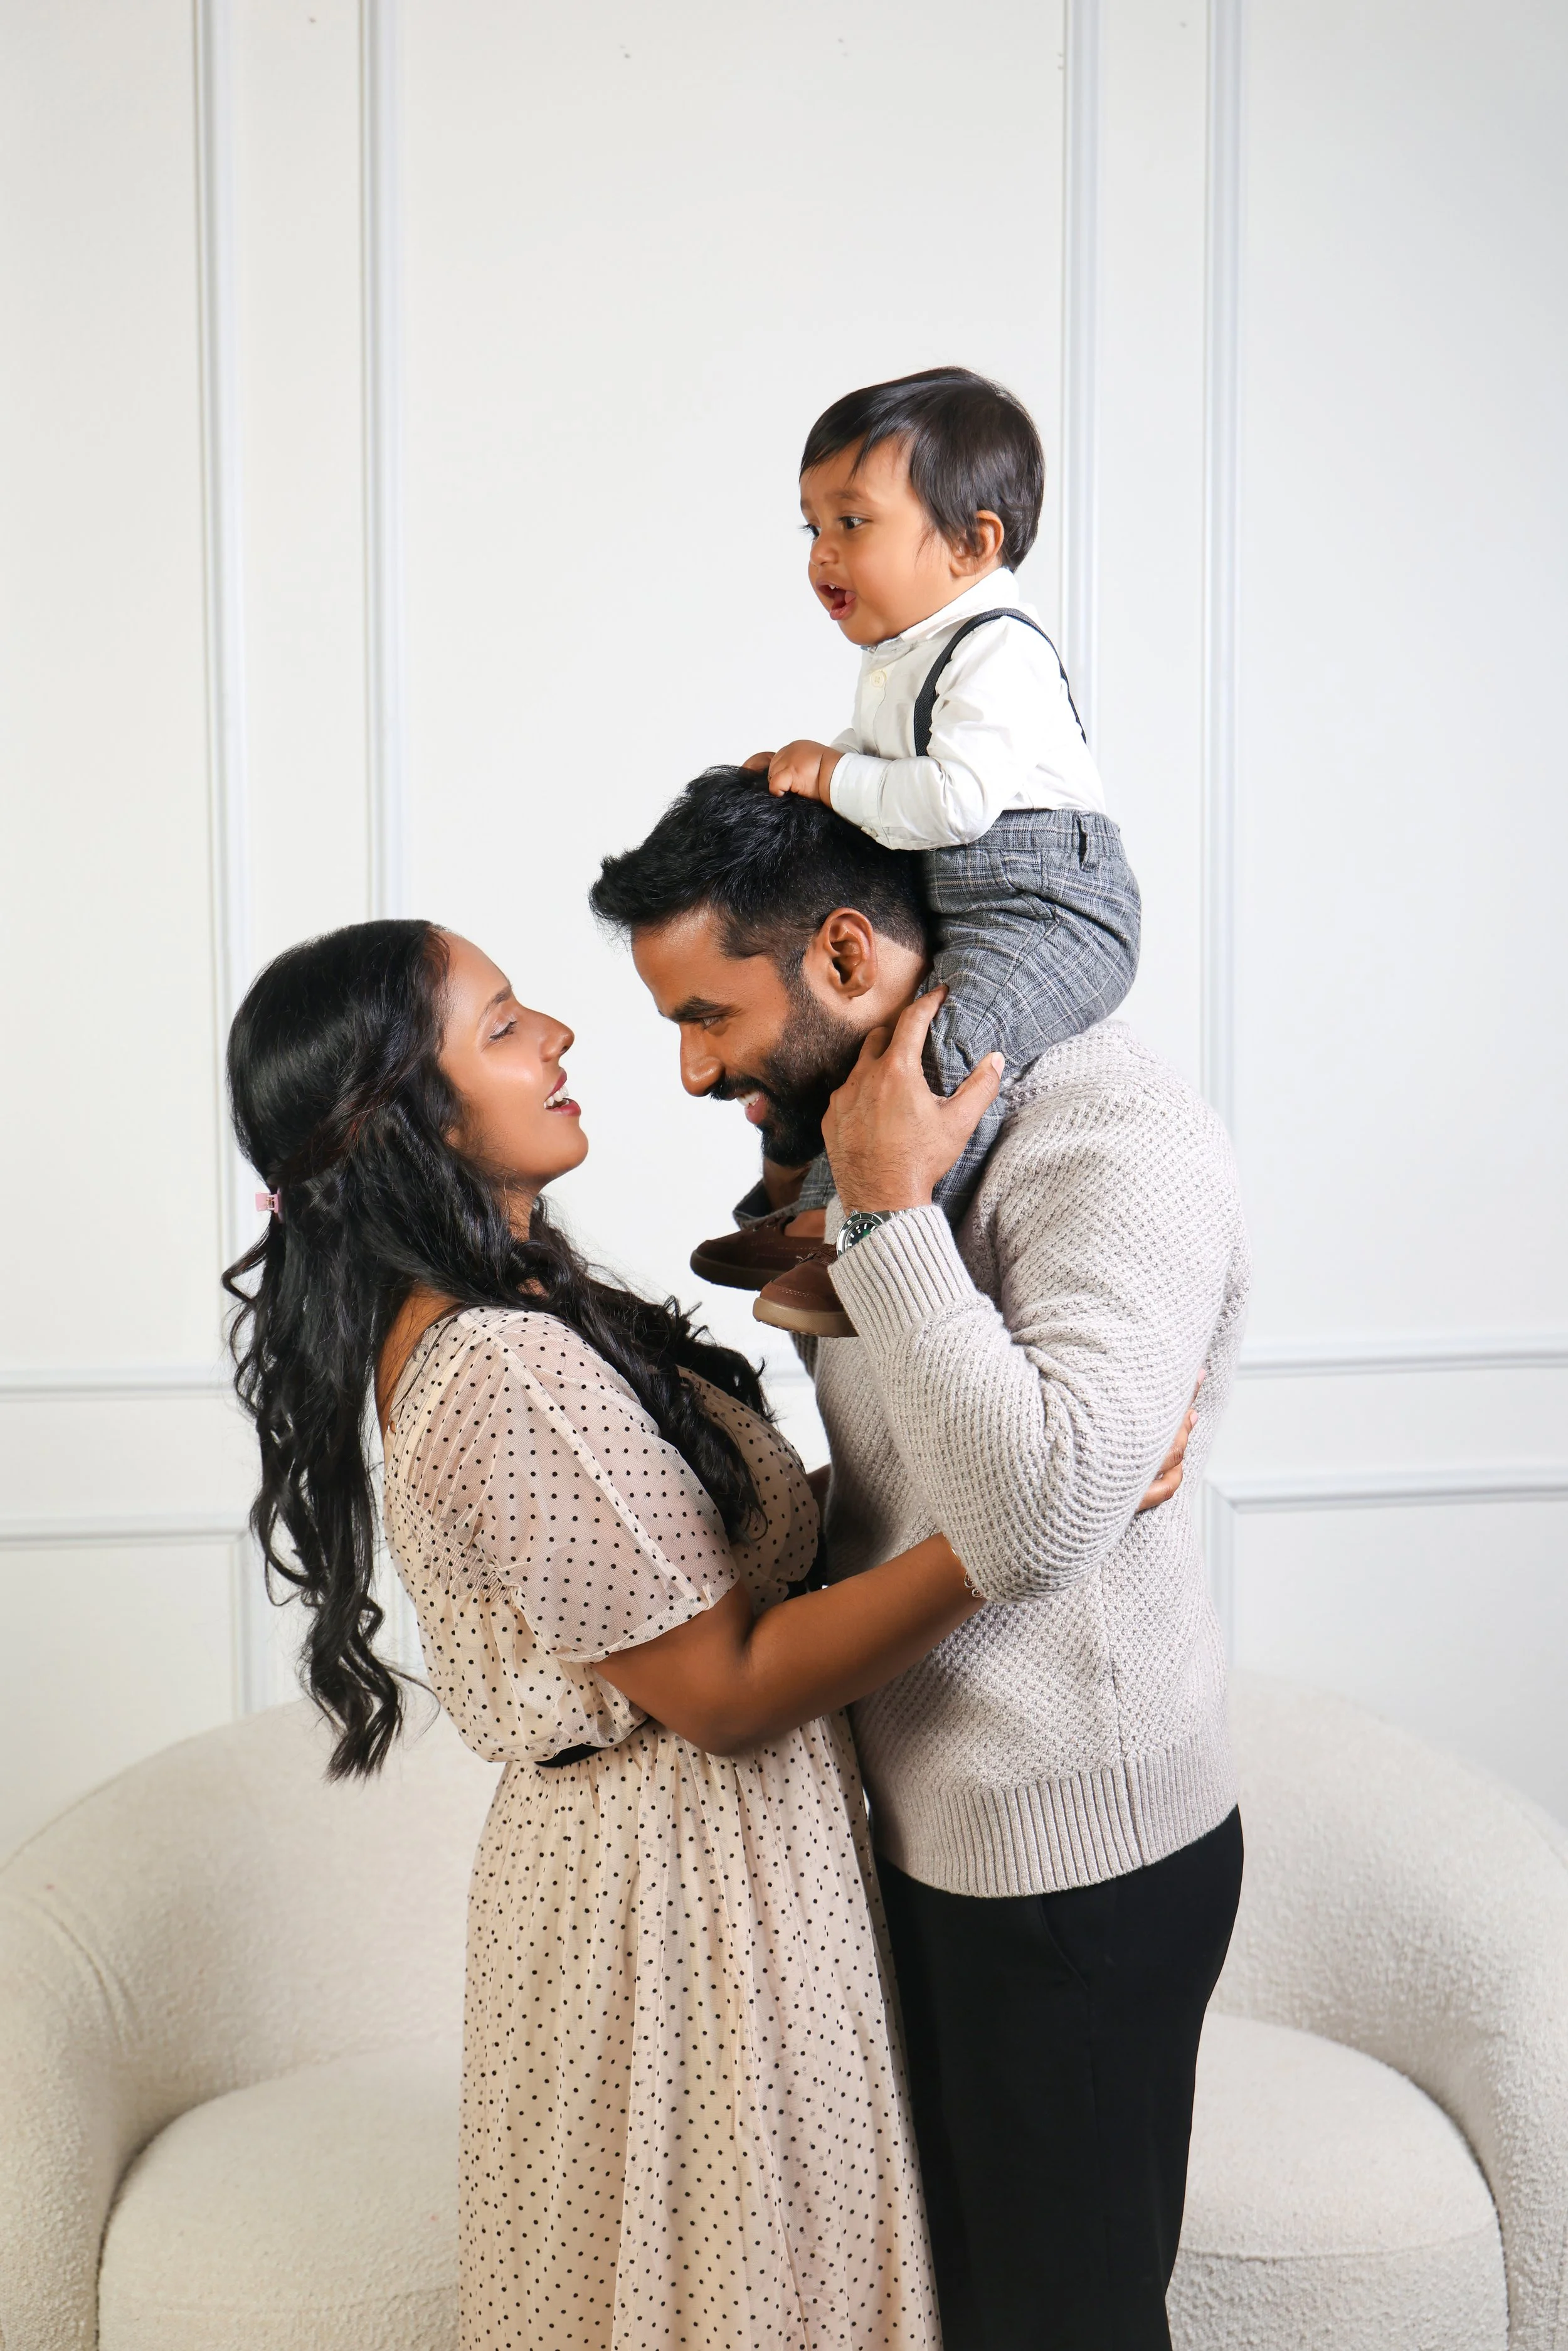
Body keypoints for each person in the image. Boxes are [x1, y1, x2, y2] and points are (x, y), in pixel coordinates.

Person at [221, 918, 1202, 2351]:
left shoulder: (520, 1307)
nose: (555, 1035)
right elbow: (724, 1684)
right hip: (674, 1901)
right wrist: (1030, 1514)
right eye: (501, 1025)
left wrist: (1014, 1461)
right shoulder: (502, 1365)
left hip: (702, 1868)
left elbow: (695, 1569)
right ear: (411, 1116)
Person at [591, 776, 1251, 2351]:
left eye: (705, 1014)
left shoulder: (1100, 1125)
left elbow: (1027, 1530)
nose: (690, 1069)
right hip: (934, 1832)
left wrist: (887, 1210)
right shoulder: (870, 1127)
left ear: (838, 951)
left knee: (1059, 2324)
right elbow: (939, 1478)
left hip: (1071, 1867)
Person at [690, 365, 1142, 1339]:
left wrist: (832, 777)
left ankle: (860, 1243)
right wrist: (811, 774)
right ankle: (812, 1211)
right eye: (810, 528)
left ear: (974, 543)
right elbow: (878, 763)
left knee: (940, 1054)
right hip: (970, 901)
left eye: (853, 523)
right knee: (868, 1050)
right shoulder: (904, 654)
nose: (821, 555)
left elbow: (953, 798)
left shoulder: (996, 650)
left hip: (1053, 907)